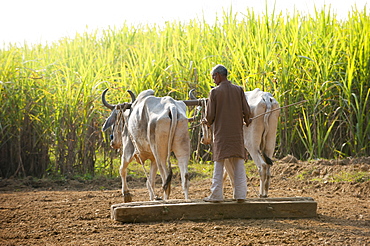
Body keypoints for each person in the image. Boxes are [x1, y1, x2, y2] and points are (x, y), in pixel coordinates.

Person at [202, 64, 252, 203]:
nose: (213, 80)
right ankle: (241, 195)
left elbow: (210, 116)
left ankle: (216, 195)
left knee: (219, 165)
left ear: (218, 75)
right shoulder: (239, 90)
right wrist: (248, 120)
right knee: (239, 164)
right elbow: (247, 112)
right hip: (236, 135)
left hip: (221, 135)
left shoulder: (215, 93)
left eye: (213, 77)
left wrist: (206, 121)